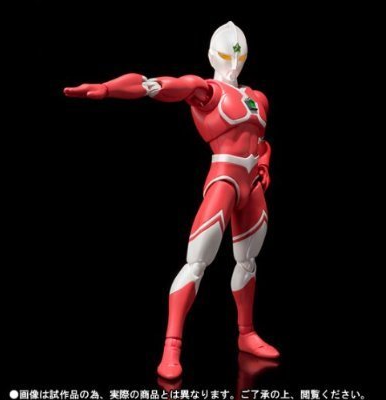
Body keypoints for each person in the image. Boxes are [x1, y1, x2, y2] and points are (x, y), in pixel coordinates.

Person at [64, 21, 279, 380]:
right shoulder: (206, 90)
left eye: (239, 55)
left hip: (252, 186)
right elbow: (156, 85)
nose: (233, 62)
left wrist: (266, 164)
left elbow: (261, 142)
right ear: (212, 55)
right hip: (225, 179)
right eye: (226, 54)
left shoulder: (259, 98)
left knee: (248, 261)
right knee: (197, 262)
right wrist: (108, 88)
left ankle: (246, 333)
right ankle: (172, 345)